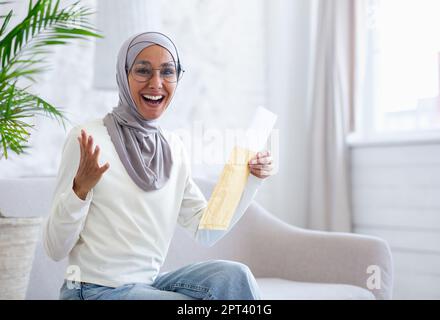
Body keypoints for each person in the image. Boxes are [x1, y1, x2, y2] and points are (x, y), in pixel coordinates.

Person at [44, 32, 275, 300]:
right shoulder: (87, 139)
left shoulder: (173, 148)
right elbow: (54, 248)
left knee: (235, 277)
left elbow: (206, 229)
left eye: (167, 72)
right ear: (124, 74)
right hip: (91, 289)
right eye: (143, 70)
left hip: (146, 286)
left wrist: (251, 178)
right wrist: (78, 190)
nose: (156, 83)